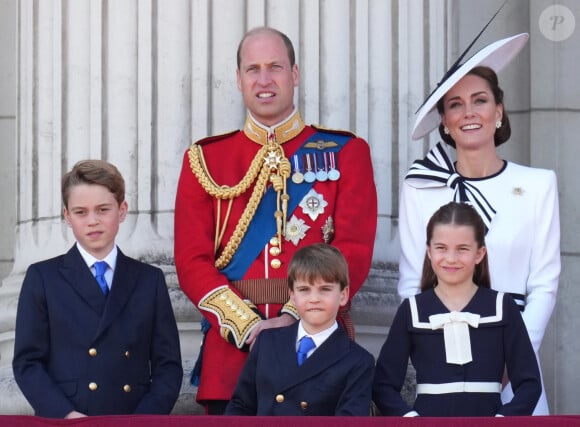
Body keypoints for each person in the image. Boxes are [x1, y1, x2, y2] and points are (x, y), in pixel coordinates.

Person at [174, 26, 377, 414]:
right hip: (233, 361)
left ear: (295, 75)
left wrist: (293, 316)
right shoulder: (204, 160)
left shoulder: (346, 152)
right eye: (253, 69)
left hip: (317, 358)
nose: (264, 80)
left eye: (275, 67)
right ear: (238, 79)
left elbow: (353, 248)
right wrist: (248, 329)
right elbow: (190, 261)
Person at [398, 33, 560, 414]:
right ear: (445, 121)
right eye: (456, 104)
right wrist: (434, 353)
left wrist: (510, 356)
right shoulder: (421, 187)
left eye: (480, 100)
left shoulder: (539, 185)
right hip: (443, 363)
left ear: (499, 110)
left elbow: (544, 285)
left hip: (515, 366)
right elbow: (409, 284)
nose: (469, 112)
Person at [12, 160, 183, 418]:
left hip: (133, 419)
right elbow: (27, 362)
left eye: (103, 209)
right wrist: (66, 415)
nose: (92, 221)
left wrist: (143, 421)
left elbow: (168, 366)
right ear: (67, 216)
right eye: (81, 212)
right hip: (68, 421)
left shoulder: (149, 280)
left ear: (122, 210)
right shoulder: (43, 278)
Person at [374, 202, 541, 416]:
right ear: (429, 251)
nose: (451, 258)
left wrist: (503, 420)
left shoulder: (502, 307)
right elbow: (383, 385)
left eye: (462, 249)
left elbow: (529, 384)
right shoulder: (412, 310)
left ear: (479, 254)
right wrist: (409, 418)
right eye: (441, 248)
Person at [225, 243, 374, 416]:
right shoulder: (266, 342)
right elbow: (240, 407)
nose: (314, 299)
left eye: (325, 289)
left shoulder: (358, 361)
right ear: (292, 297)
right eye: (304, 290)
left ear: (343, 295)